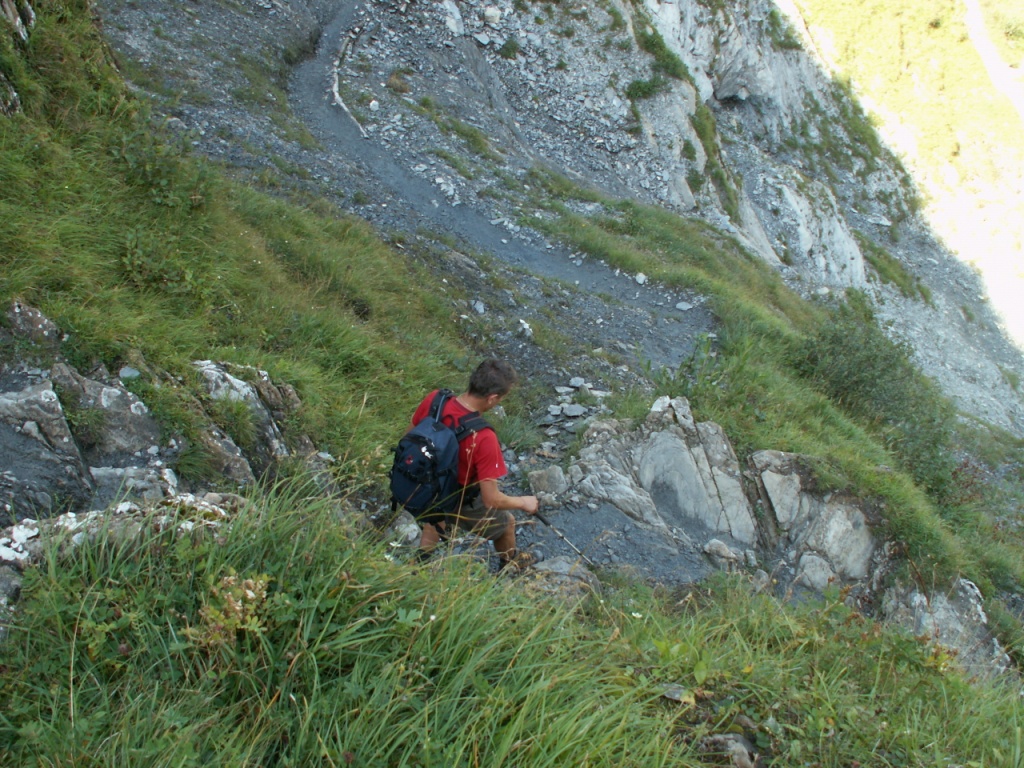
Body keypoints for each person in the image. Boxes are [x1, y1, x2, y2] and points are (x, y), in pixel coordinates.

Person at [409, 359, 540, 572]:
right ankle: (510, 565)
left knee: (436, 516)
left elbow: (409, 436)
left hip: (421, 483)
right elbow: (491, 499)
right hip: (457, 496)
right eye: (501, 398)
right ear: (492, 398)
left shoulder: (436, 400)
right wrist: (524, 502)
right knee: (507, 524)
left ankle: (418, 566)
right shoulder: (484, 437)